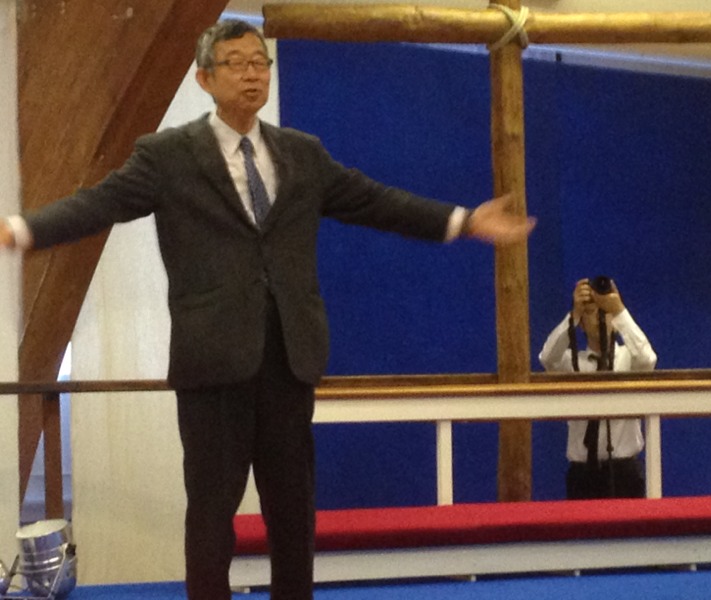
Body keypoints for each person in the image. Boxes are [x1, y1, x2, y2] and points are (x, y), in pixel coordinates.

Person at [0, 19, 534, 600]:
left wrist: (463, 221)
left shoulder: (302, 154)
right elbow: (97, 204)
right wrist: (23, 230)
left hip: (289, 355)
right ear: (205, 78)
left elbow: (374, 201)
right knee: (212, 511)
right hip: (214, 363)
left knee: (293, 508)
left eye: (260, 62)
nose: (252, 74)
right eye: (236, 63)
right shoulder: (167, 156)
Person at [538, 276, 656, 500]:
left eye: (606, 312)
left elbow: (648, 359)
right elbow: (547, 358)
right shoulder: (572, 362)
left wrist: (619, 310)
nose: (600, 318)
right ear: (582, 324)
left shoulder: (628, 358)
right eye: (592, 312)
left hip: (624, 472)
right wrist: (574, 315)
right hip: (583, 474)